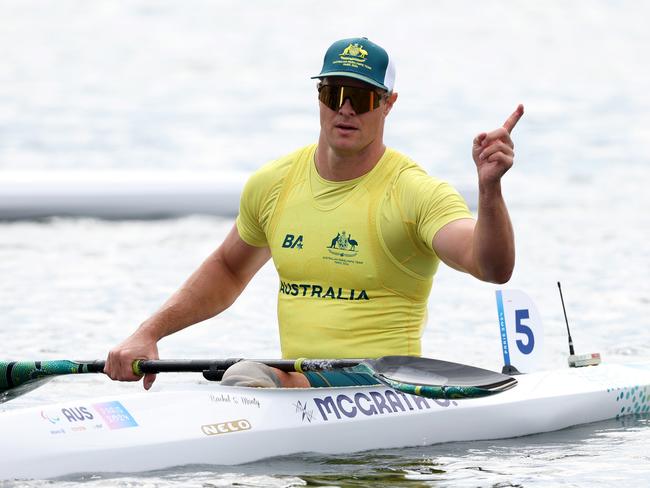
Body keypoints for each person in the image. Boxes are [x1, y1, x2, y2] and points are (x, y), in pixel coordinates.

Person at [104, 37, 523, 390]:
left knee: (246, 376)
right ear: (318, 97)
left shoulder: (414, 192)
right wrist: (149, 332)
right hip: (298, 387)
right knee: (248, 378)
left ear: (388, 104)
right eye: (333, 93)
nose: (345, 109)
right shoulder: (273, 183)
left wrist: (489, 190)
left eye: (360, 97)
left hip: (383, 389)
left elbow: (489, 266)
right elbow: (228, 271)